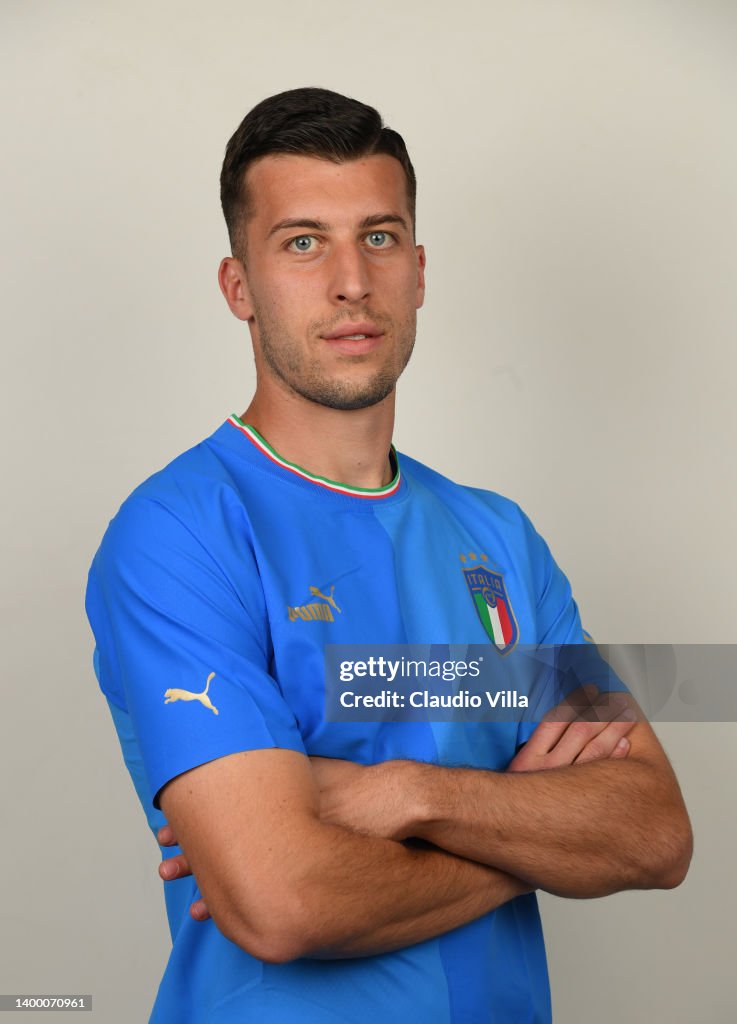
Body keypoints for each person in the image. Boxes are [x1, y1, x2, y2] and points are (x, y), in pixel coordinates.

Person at [84, 86, 692, 1024]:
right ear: (237, 286)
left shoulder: (498, 538)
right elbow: (284, 903)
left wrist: (401, 794)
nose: (349, 283)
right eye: (300, 242)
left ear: (417, 268)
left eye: (377, 237)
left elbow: (652, 834)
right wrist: (529, 830)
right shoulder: (179, 533)